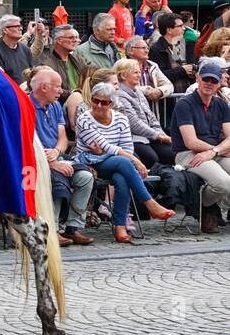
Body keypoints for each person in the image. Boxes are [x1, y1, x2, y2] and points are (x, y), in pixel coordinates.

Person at [73, 83, 174, 242]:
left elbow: (126, 146)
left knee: (121, 177)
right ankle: (149, 203)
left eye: (104, 102)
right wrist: (134, 159)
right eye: (95, 100)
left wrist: (113, 153)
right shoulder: (84, 118)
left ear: (111, 104)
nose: (98, 105)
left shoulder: (120, 119)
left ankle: (120, 227)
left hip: (116, 162)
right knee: (123, 162)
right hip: (90, 162)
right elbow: (107, 146)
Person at [29, 68, 94, 246]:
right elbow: (25, 141)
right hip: (33, 160)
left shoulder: (56, 106)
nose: (61, 91)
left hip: (56, 156)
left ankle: (73, 227)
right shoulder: (25, 106)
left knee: (85, 177)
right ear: (43, 87)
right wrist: (51, 162)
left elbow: (63, 138)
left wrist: (57, 152)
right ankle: (52, 229)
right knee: (57, 181)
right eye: (57, 87)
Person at [170, 58, 230, 233]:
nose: (209, 84)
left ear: (220, 84)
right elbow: (191, 142)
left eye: (214, 81)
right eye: (206, 79)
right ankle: (202, 206)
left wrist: (215, 151)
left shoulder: (221, 104)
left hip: (214, 152)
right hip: (187, 153)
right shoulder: (185, 104)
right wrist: (216, 150)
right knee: (224, 183)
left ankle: (212, 206)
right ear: (197, 78)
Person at [112, 58, 176, 168]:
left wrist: (162, 134)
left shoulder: (138, 92)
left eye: (139, 72)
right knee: (151, 158)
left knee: (171, 154)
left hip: (150, 136)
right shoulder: (119, 95)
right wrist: (158, 136)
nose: (139, 75)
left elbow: (151, 117)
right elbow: (134, 123)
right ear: (123, 76)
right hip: (134, 137)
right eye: (135, 72)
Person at [121, 36, 173, 106]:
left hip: (151, 112)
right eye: (143, 48)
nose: (147, 51)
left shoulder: (152, 66)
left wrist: (160, 91)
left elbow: (169, 85)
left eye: (147, 48)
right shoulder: (122, 66)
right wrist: (147, 91)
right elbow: (122, 87)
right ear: (130, 51)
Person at [0, 14, 40, 81]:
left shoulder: (25, 49)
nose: (21, 29)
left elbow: (31, 73)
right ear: (5, 30)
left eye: (20, 26)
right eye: (16, 26)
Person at [38, 24, 85, 99]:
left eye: (76, 37)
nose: (75, 40)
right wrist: (72, 94)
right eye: (71, 38)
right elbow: (51, 88)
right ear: (59, 40)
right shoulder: (47, 64)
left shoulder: (78, 59)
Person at [151, 13, 195, 94]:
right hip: (169, 100)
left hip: (187, 96)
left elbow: (191, 65)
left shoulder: (182, 44)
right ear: (169, 30)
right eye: (180, 26)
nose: (184, 28)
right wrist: (182, 70)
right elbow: (160, 76)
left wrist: (193, 70)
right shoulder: (156, 49)